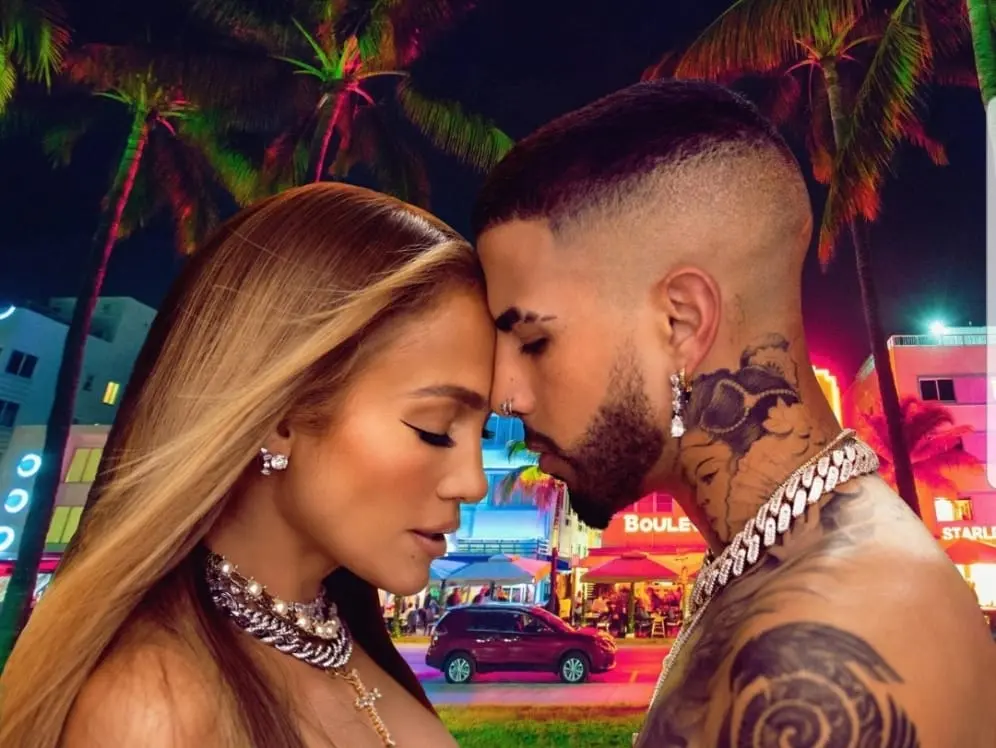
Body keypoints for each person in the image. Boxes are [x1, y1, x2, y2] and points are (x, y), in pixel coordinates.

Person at [472, 79, 996, 746]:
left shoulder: (817, 661)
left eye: (533, 341)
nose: (503, 394)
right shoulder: (787, 569)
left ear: (682, 322)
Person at [0, 183, 494, 748]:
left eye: (481, 435)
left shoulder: (345, 649)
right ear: (280, 417)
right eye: (434, 428)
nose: (473, 482)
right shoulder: (156, 711)